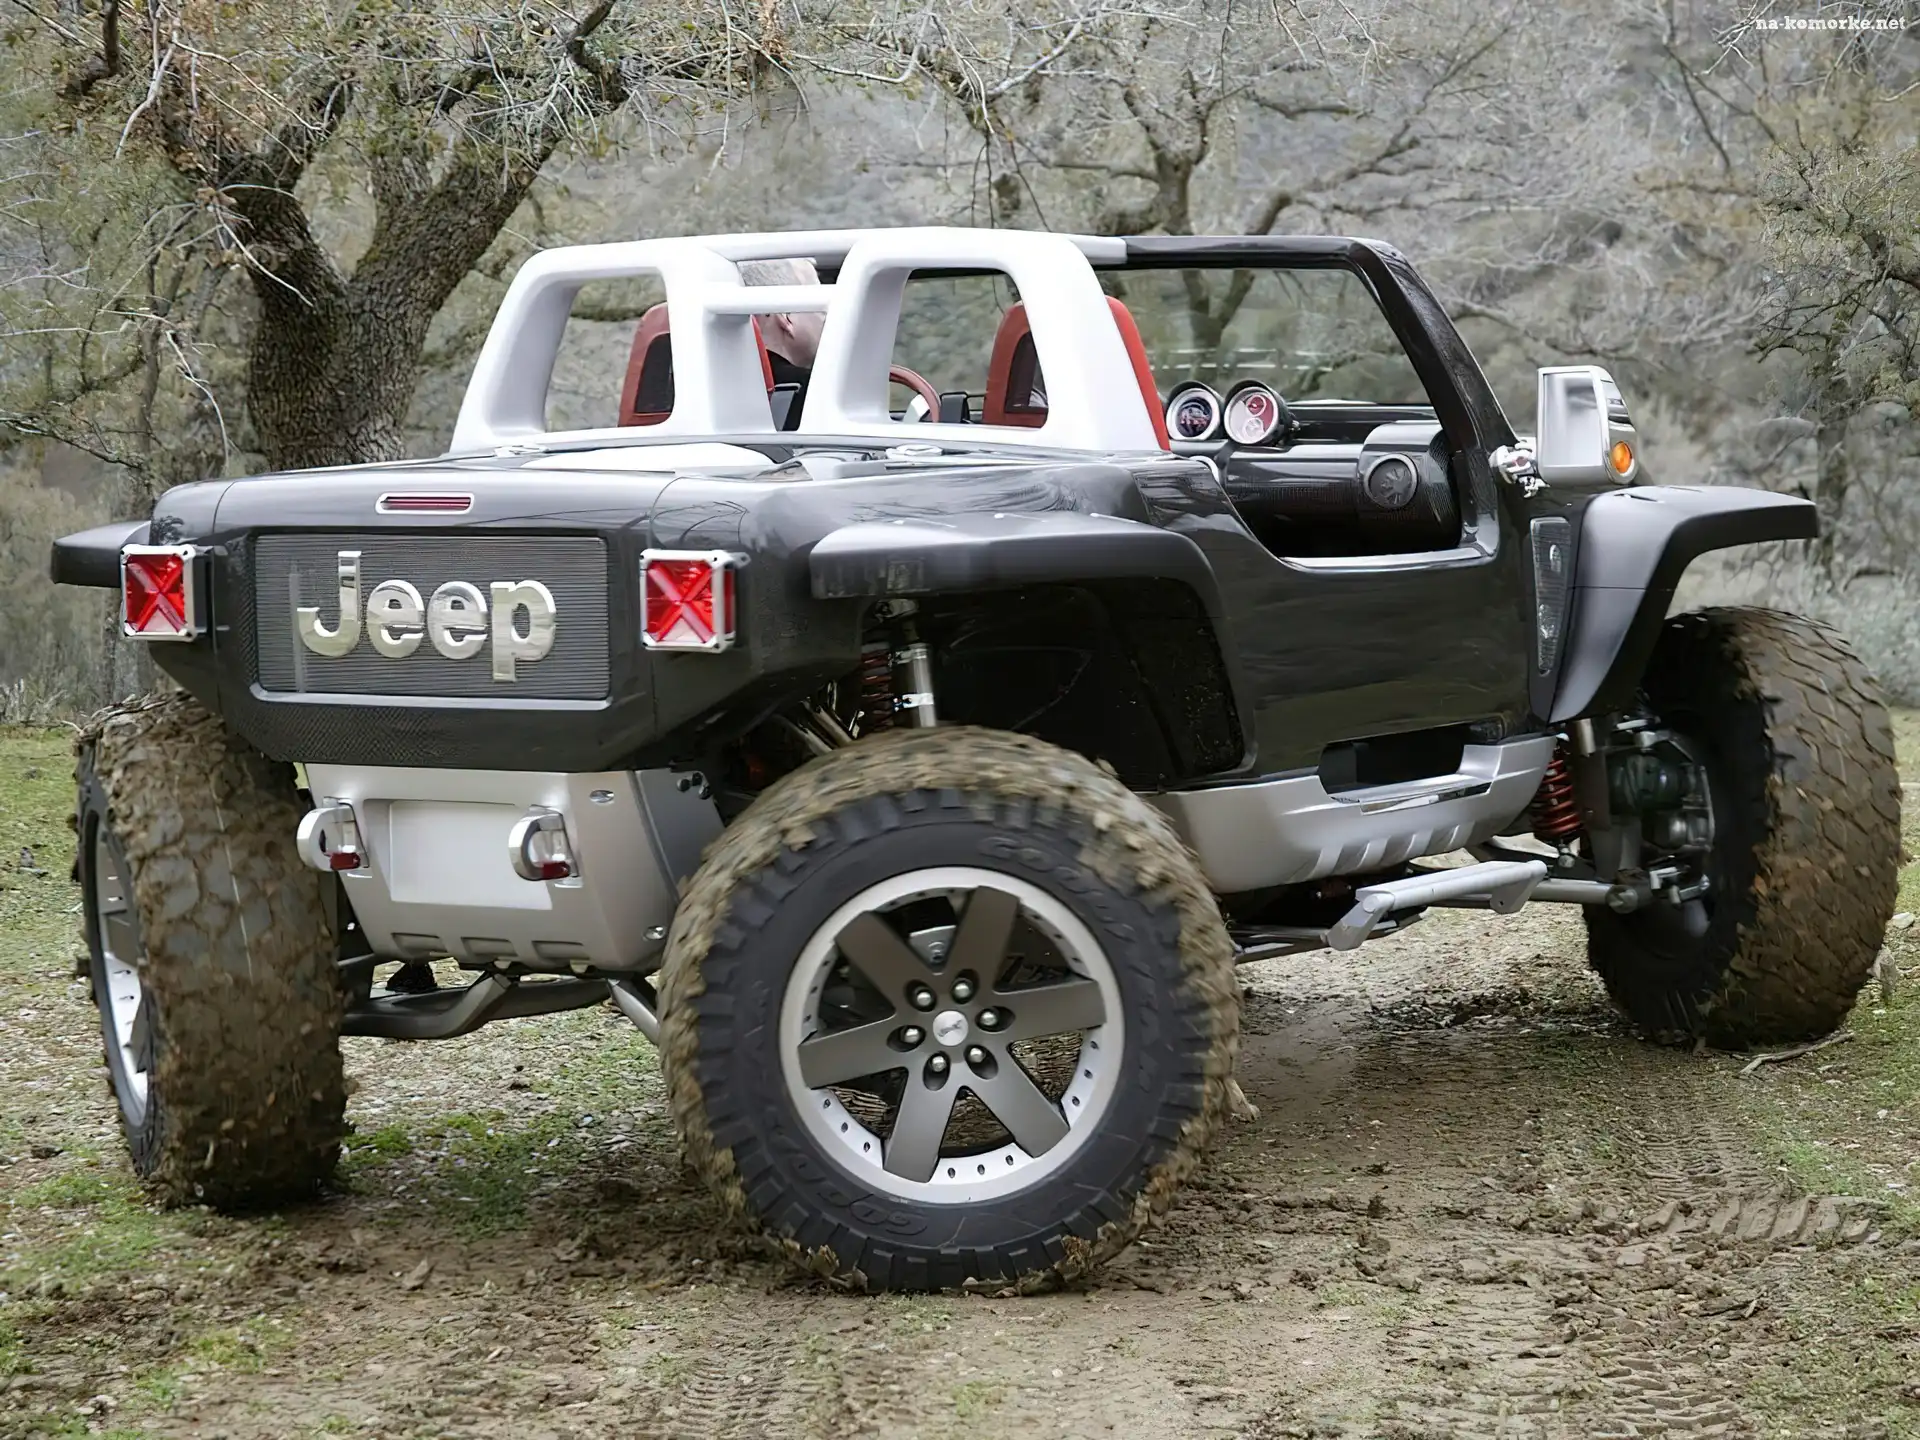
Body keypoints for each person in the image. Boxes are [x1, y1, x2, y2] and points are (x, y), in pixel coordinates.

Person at [739, 257, 825, 429]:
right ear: (786, 315)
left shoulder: (710, 386)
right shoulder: (819, 392)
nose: (825, 318)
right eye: (821, 305)